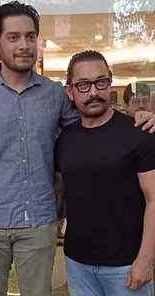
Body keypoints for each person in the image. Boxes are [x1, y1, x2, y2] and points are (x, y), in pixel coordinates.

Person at [0, 1, 155, 296]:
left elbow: (94, 125)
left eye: (30, 37)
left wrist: (141, 120)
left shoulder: (55, 95)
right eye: (14, 37)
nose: (24, 45)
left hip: (39, 223)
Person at [54, 50, 155, 295]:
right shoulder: (64, 140)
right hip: (77, 262)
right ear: (70, 91)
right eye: (83, 85)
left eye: (100, 82)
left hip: (126, 265)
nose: (93, 92)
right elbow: (58, 192)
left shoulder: (138, 132)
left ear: (109, 84)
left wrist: (144, 260)